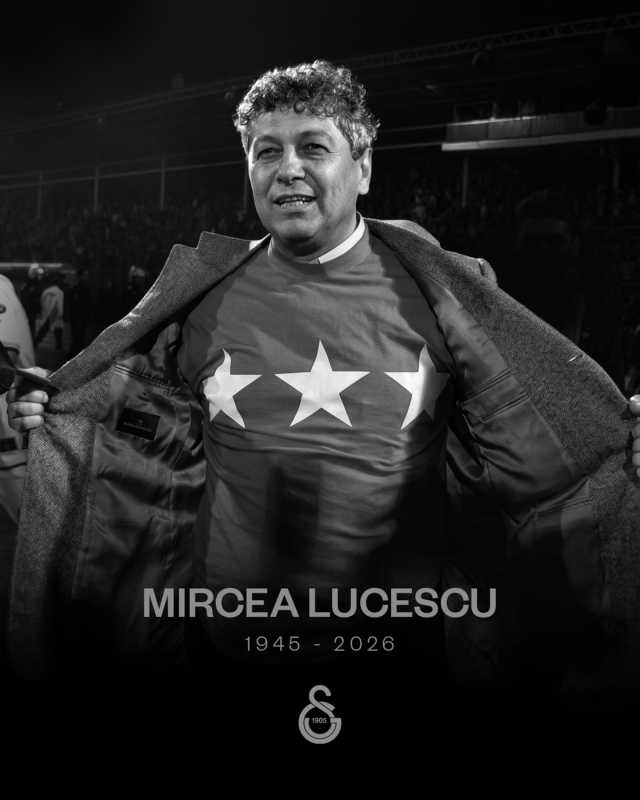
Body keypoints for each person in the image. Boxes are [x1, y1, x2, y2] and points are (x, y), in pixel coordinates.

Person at [4, 61, 640, 707]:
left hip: (400, 651)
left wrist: (624, 436)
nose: (287, 170)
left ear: (363, 168)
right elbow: (128, 433)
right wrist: (58, 411)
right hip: (229, 646)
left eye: (313, 147)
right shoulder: (195, 298)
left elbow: (547, 444)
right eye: (266, 151)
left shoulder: (448, 294)